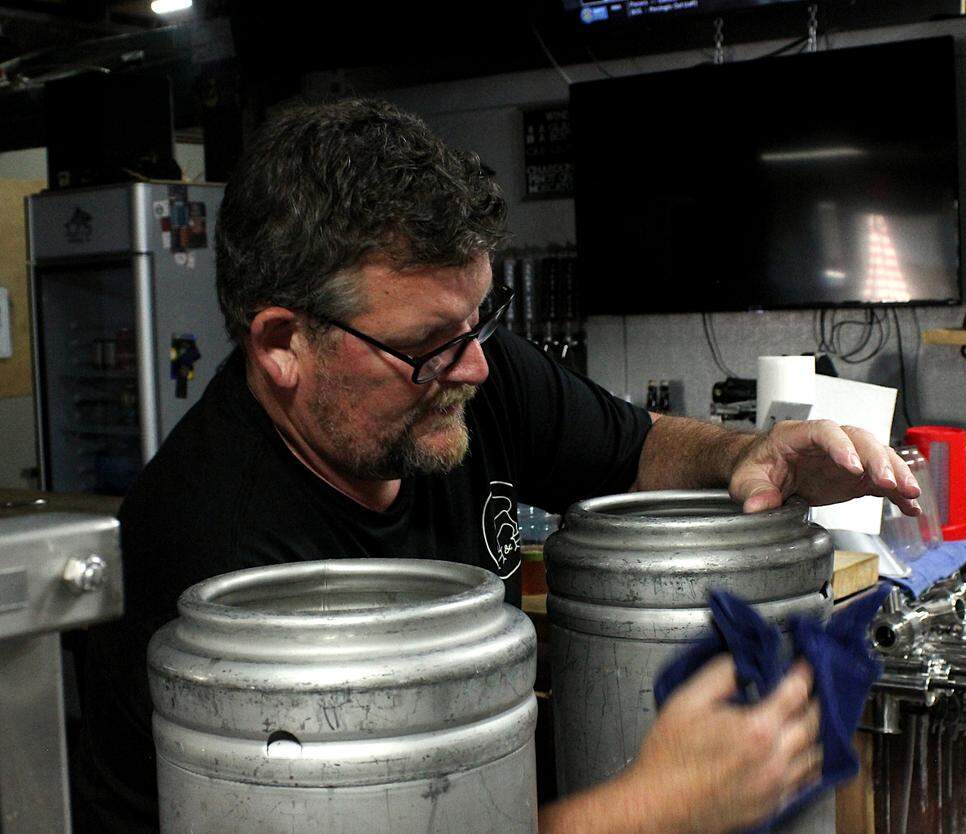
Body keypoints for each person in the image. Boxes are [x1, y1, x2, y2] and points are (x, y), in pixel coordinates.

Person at [73, 98, 920, 834]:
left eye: (481, 319)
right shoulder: (208, 562)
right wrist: (653, 810)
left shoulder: (471, 369)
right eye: (426, 344)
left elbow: (634, 446)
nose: (474, 366)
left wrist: (745, 452)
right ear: (282, 344)